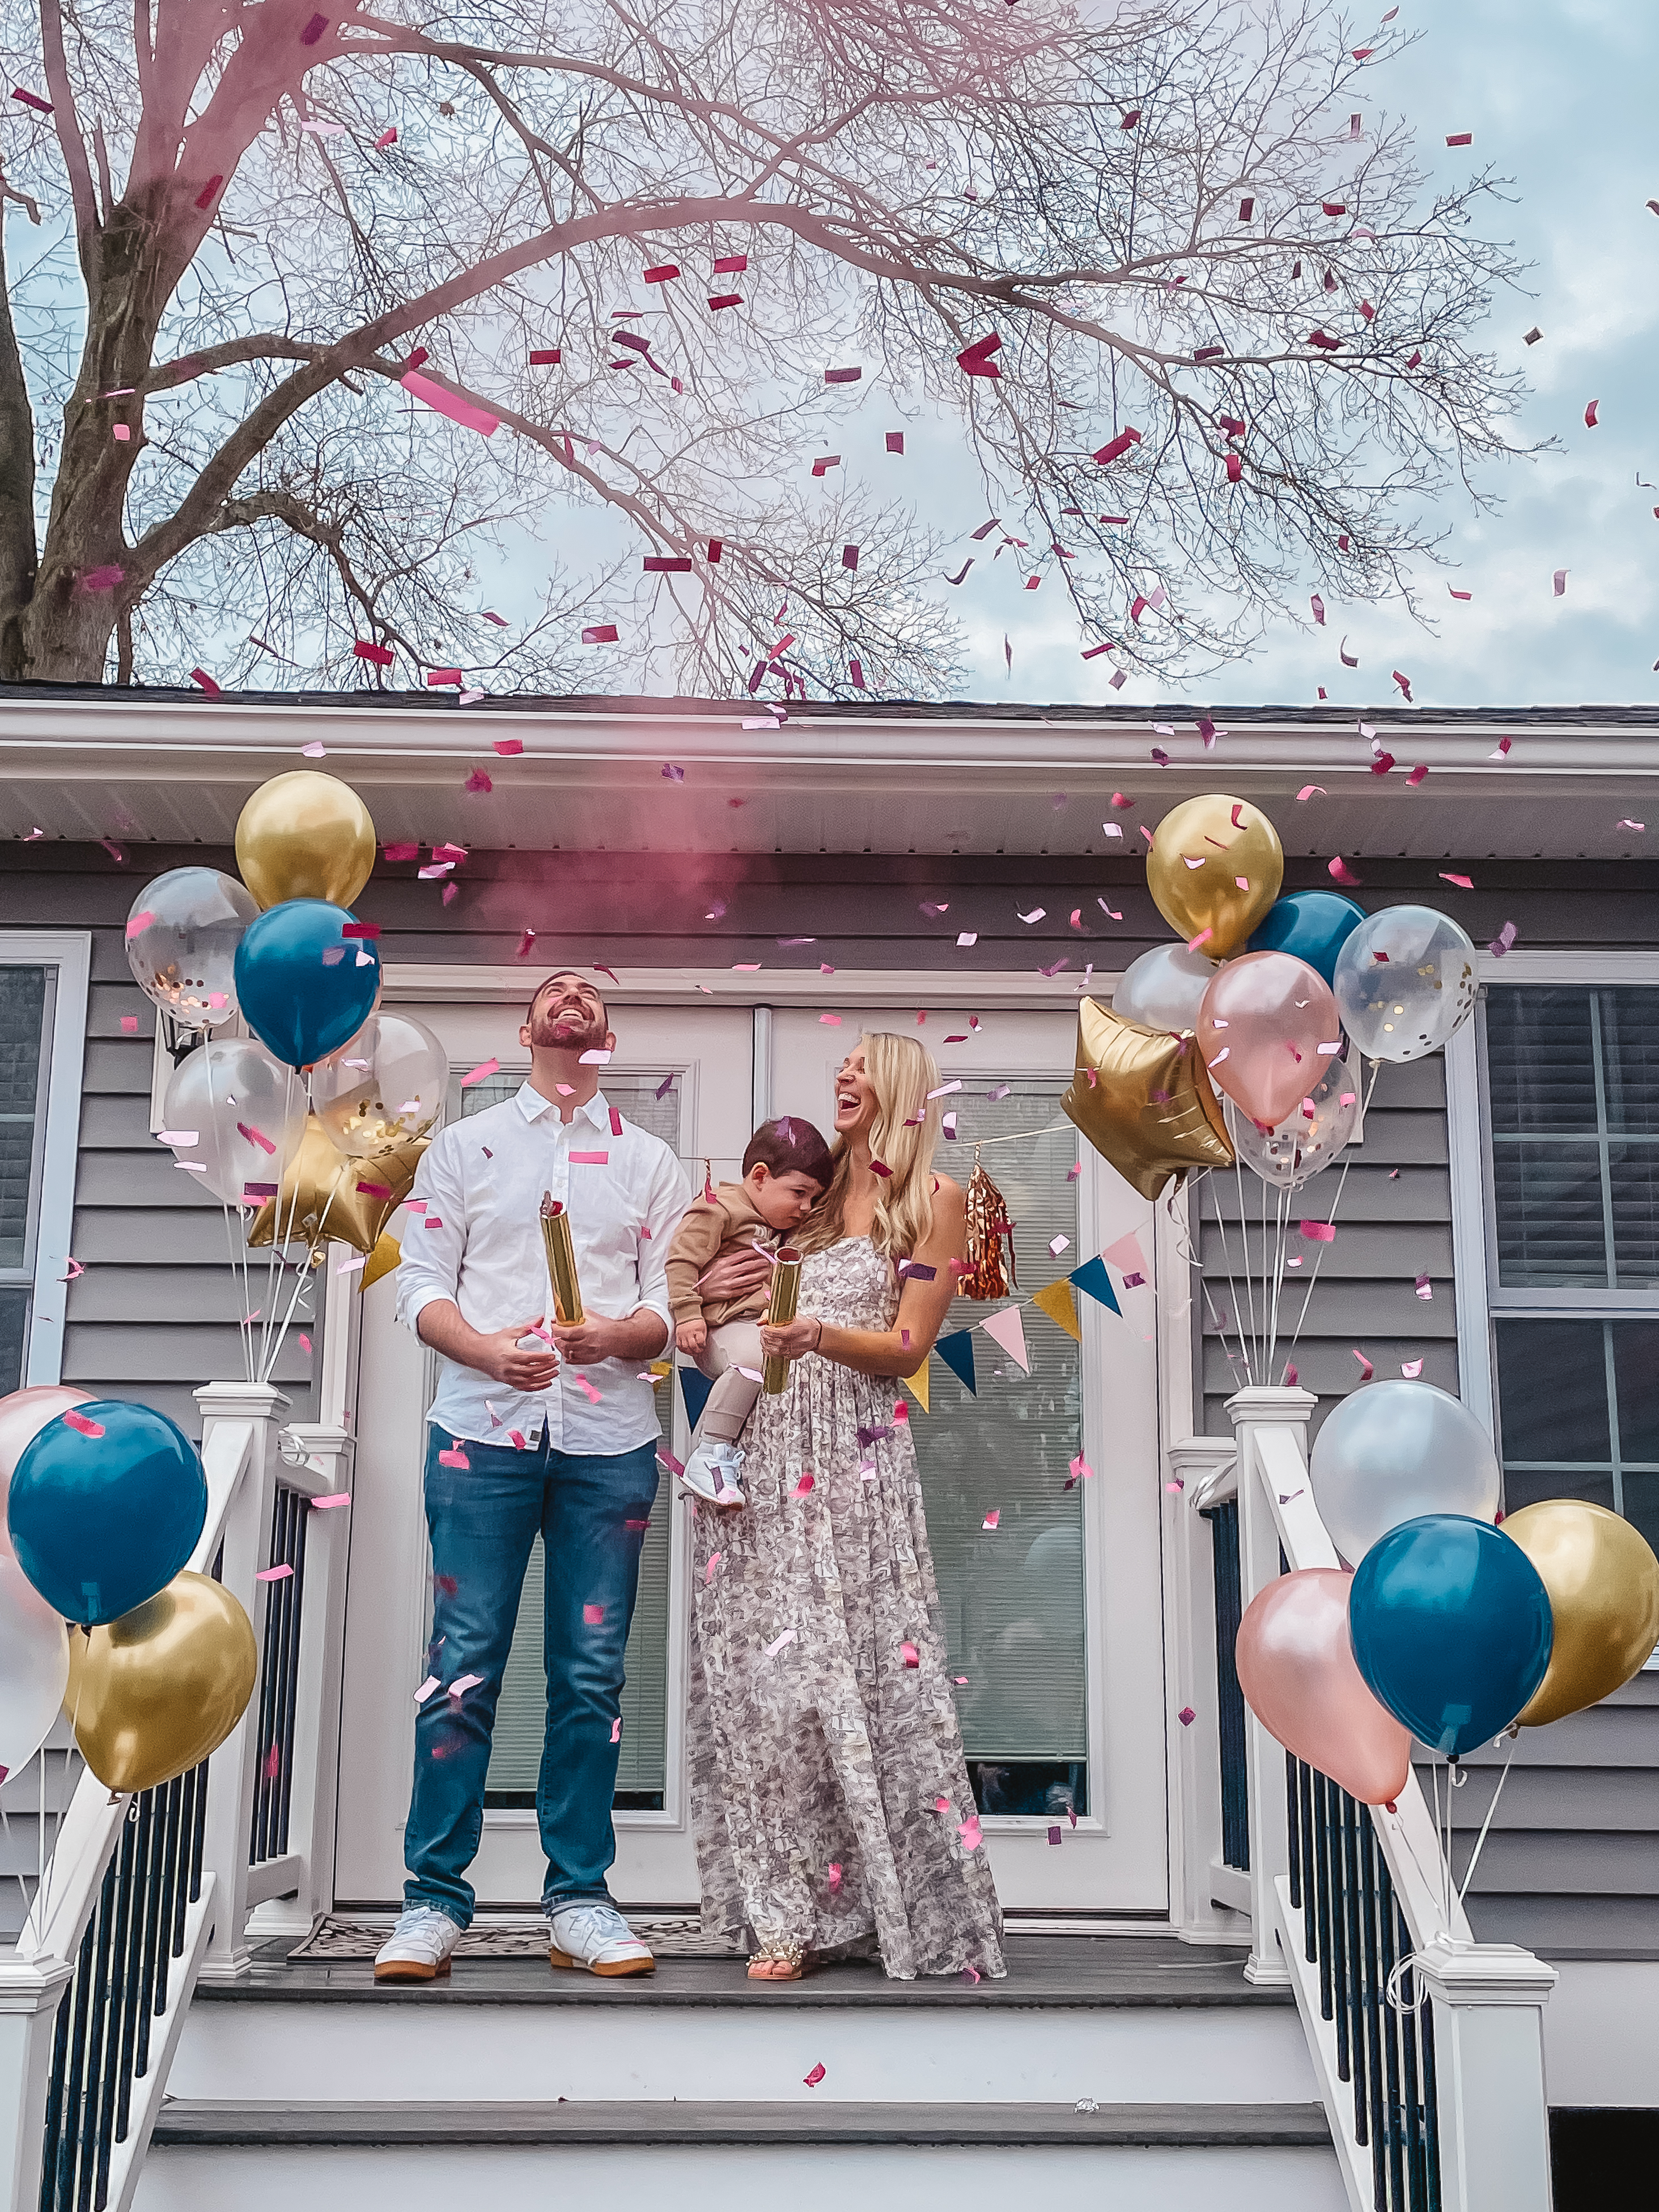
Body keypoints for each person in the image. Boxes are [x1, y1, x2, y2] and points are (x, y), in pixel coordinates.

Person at [374, 972, 690, 1985]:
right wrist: (480, 1351)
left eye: (591, 994)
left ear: (608, 1032)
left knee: (591, 1678)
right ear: (526, 1029)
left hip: (610, 1445)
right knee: (463, 1662)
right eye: (553, 989)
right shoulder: (464, 1148)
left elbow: (671, 1308)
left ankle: (579, 1899)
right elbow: (416, 1280)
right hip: (480, 1435)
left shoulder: (648, 1161)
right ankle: (431, 1902)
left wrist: (617, 1334)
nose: (572, 1000)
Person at [685, 1033, 1007, 1983]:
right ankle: (785, 1913)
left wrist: (819, 1329)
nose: (843, 1076)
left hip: (854, 1461)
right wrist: (707, 1291)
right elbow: (731, 1295)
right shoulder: (808, 1202)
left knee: (867, 1678)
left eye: (862, 1065)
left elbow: (910, 1348)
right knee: (770, 1696)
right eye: (841, 1067)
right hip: (767, 1450)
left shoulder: (934, 1202)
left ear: (902, 1087)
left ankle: (889, 1906)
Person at [665, 1115, 835, 1507]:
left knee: (764, 1358)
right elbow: (680, 1262)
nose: (806, 1207)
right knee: (755, 1359)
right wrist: (689, 1314)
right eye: (798, 1193)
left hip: (747, 1326)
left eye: (814, 1199)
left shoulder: (773, 1223)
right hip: (721, 1328)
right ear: (759, 1176)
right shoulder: (717, 1210)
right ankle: (709, 1452)